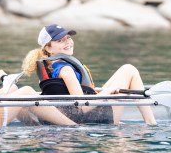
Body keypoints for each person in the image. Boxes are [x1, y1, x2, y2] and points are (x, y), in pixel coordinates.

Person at [22, 23, 157, 125]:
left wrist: (98, 91)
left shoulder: (50, 66)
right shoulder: (66, 70)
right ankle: (151, 123)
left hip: (70, 113)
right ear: (48, 48)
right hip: (92, 117)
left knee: (127, 70)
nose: (68, 42)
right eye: (60, 40)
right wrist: (108, 91)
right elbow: (83, 106)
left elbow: (66, 93)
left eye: (68, 38)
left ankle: (149, 121)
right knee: (129, 70)